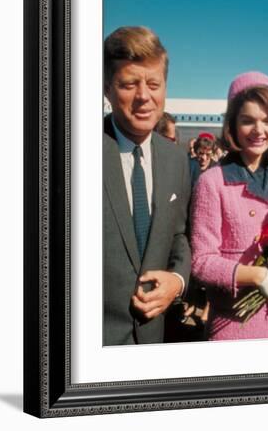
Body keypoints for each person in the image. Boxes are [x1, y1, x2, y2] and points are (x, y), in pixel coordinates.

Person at [103, 26, 191, 345]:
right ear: (107, 88)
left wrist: (178, 281)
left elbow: (179, 234)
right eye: (129, 84)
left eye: (154, 84)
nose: (144, 96)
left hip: (153, 340)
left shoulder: (176, 159)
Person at [191, 71, 268, 341]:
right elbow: (201, 262)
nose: (259, 131)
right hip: (233, 321)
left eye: (267, 121)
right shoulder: (212, 181)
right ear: (233, 125)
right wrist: (257, 276)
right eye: (248, 121)